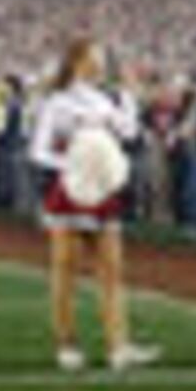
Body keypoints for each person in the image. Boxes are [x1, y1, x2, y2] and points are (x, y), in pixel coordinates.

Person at [32, 38, 155, 373]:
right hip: (71, 190)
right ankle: (66, 344)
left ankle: (118, 346)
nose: (102, 60)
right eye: (95, 55)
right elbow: (39, 151)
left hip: (103, 191)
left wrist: (128, 93)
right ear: (78, 61)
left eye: (102, 55)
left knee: (112, 272)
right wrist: (74, 163)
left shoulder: (105, 99)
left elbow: (128, 132)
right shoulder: (57, 102)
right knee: (65, 272)